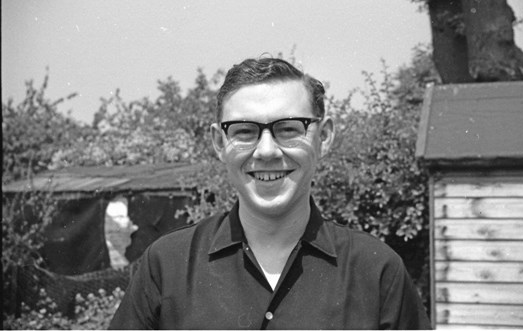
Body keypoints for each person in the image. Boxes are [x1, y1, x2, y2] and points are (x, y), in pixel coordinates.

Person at [109, 57, 431, 329]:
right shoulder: (167, 265)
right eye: (244, 131)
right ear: (219, 143)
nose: (266, 151)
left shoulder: (377, 272)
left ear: (325, 136)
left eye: (288, 128)